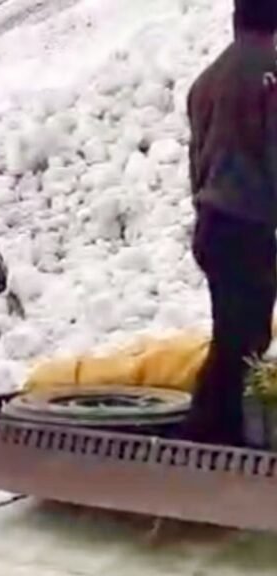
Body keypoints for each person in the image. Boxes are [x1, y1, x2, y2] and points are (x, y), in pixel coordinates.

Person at [184, 0, 277, 445]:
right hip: (248, 223)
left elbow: (196, 158)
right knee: (242, 344)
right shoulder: (270, 75)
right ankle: (207, 442)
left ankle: (218, 437)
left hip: (213, 223)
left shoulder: (206, 81)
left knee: (237, 337)